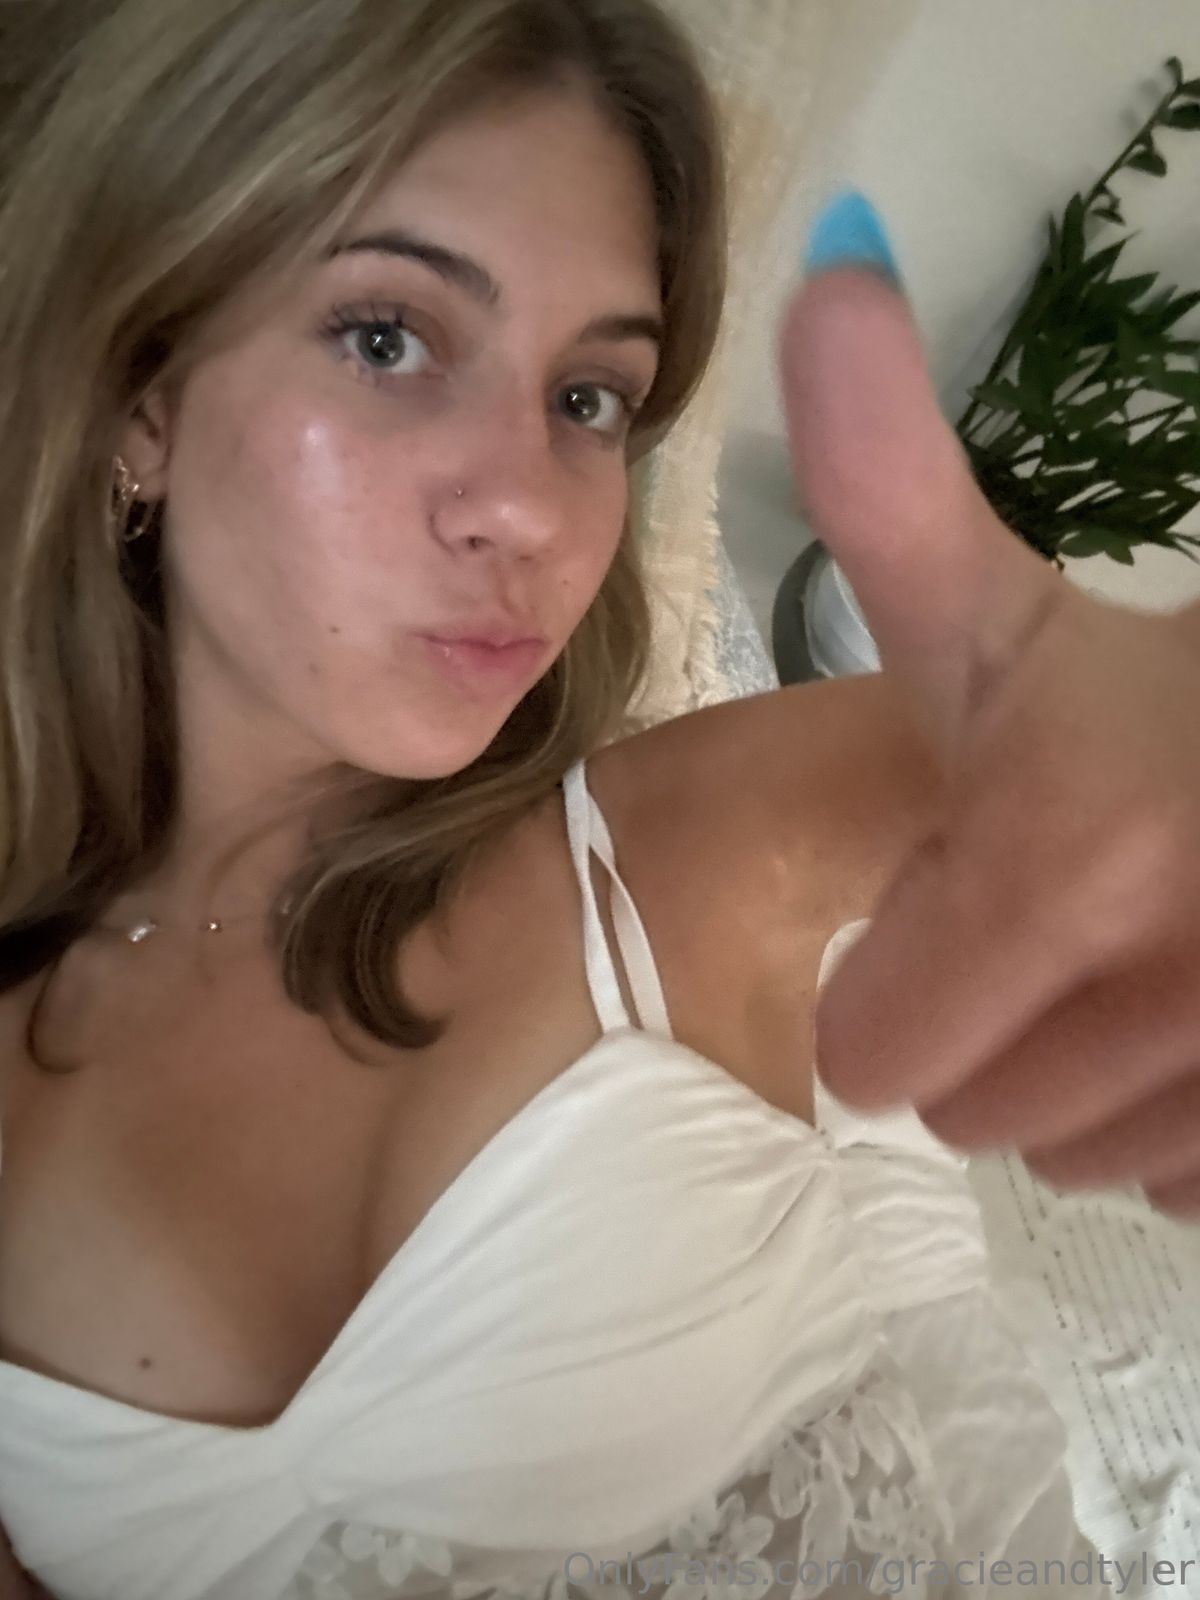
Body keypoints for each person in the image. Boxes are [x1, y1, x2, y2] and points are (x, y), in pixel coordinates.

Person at [0, 2, 1172, 1597]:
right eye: (389, 339)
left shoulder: (688, 851)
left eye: (589, 398)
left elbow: (1074, 773)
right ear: (143, 397)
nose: (532, 512)